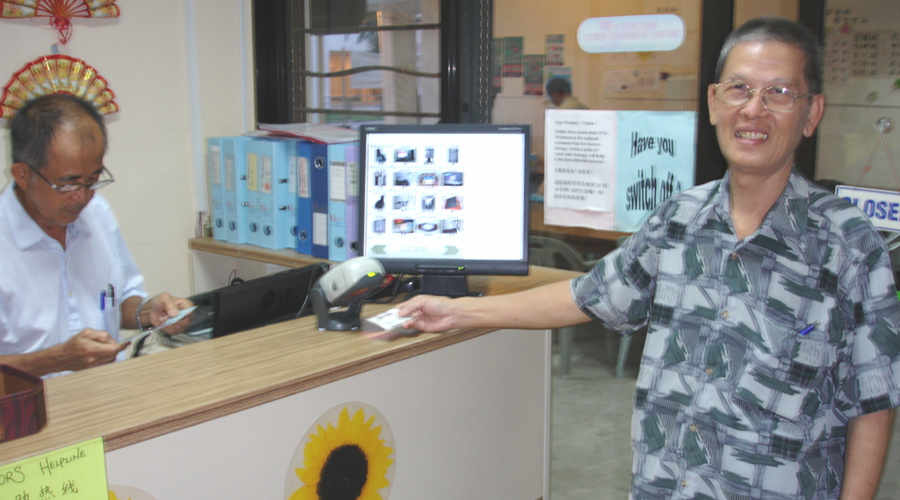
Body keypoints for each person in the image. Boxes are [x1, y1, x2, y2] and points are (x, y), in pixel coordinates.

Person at [398, 17, 900, 500]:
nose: (754, 109)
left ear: (812, 113)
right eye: (739, 89)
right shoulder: (678, 221)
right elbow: (588, 296)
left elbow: (873, 404)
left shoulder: (849, 246)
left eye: (780, 92)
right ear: (713, 101)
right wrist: (459, 312)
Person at [0, 94, 193, 378]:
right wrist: (56, 360)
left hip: (108, 397)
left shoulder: (97, 213)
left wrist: (148, 312)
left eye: (92, 180)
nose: (82, 197)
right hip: (28, 414)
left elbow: (122, 298)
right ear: (22, 175)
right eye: (67, 184)